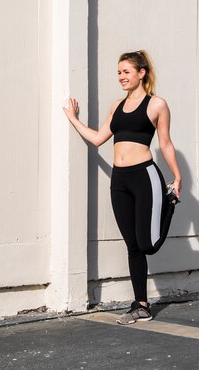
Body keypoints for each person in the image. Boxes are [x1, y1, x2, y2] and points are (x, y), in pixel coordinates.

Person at [63, 50, 182, 325]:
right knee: (133, 246)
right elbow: (97, 139)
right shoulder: (117, 106)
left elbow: (165, 143)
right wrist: (73, 117)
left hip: (145, 176)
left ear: (141, 73)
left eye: (126, 71)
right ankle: (141, 305)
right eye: (118, 72)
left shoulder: (157, 105)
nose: (121, 77)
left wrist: (177, 176)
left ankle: (169, 205)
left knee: (148, 245)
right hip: (120, 180)